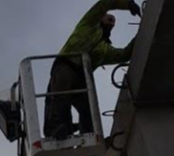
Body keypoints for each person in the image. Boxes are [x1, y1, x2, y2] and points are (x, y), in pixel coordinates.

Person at [44, 0, 141, 140]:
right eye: (109, 18)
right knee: (60, 96)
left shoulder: (104, 49)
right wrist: (128, 4)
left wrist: (140, 35)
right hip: (66, 65)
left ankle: (88, 135)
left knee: (87, 109)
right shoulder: (88, 25)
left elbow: (124, 54)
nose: (112, 22)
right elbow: (104, 4)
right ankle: (56, 128)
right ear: (100, 18)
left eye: (114, 22)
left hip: (81, 77)